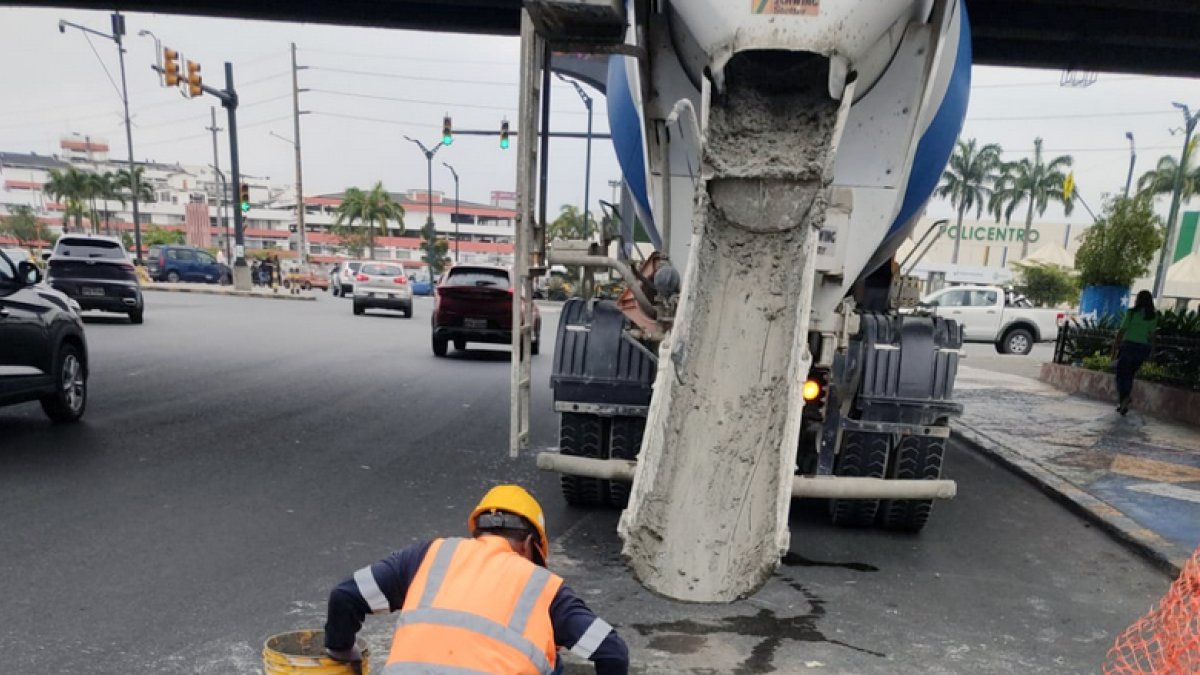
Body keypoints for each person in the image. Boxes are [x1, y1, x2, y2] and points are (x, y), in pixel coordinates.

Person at [323, 485, 629, 674]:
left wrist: (341, 650)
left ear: (478, 531)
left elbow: (344, 596)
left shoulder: (428, 556)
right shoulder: (545, 589)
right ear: (529, 545)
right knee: (551, 663)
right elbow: (612, 652)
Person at [1111, 290, 1158, 415]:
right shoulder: (1152, 316)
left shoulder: (1131, 313)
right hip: (1142, 349)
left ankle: (1124, 398)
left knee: (1121, 375)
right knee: (1130, 375)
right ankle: (1123, 402)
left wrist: (1115, 347)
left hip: (1128, 347)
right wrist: (1152, 351)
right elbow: (1152, 335)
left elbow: (1122, 331)